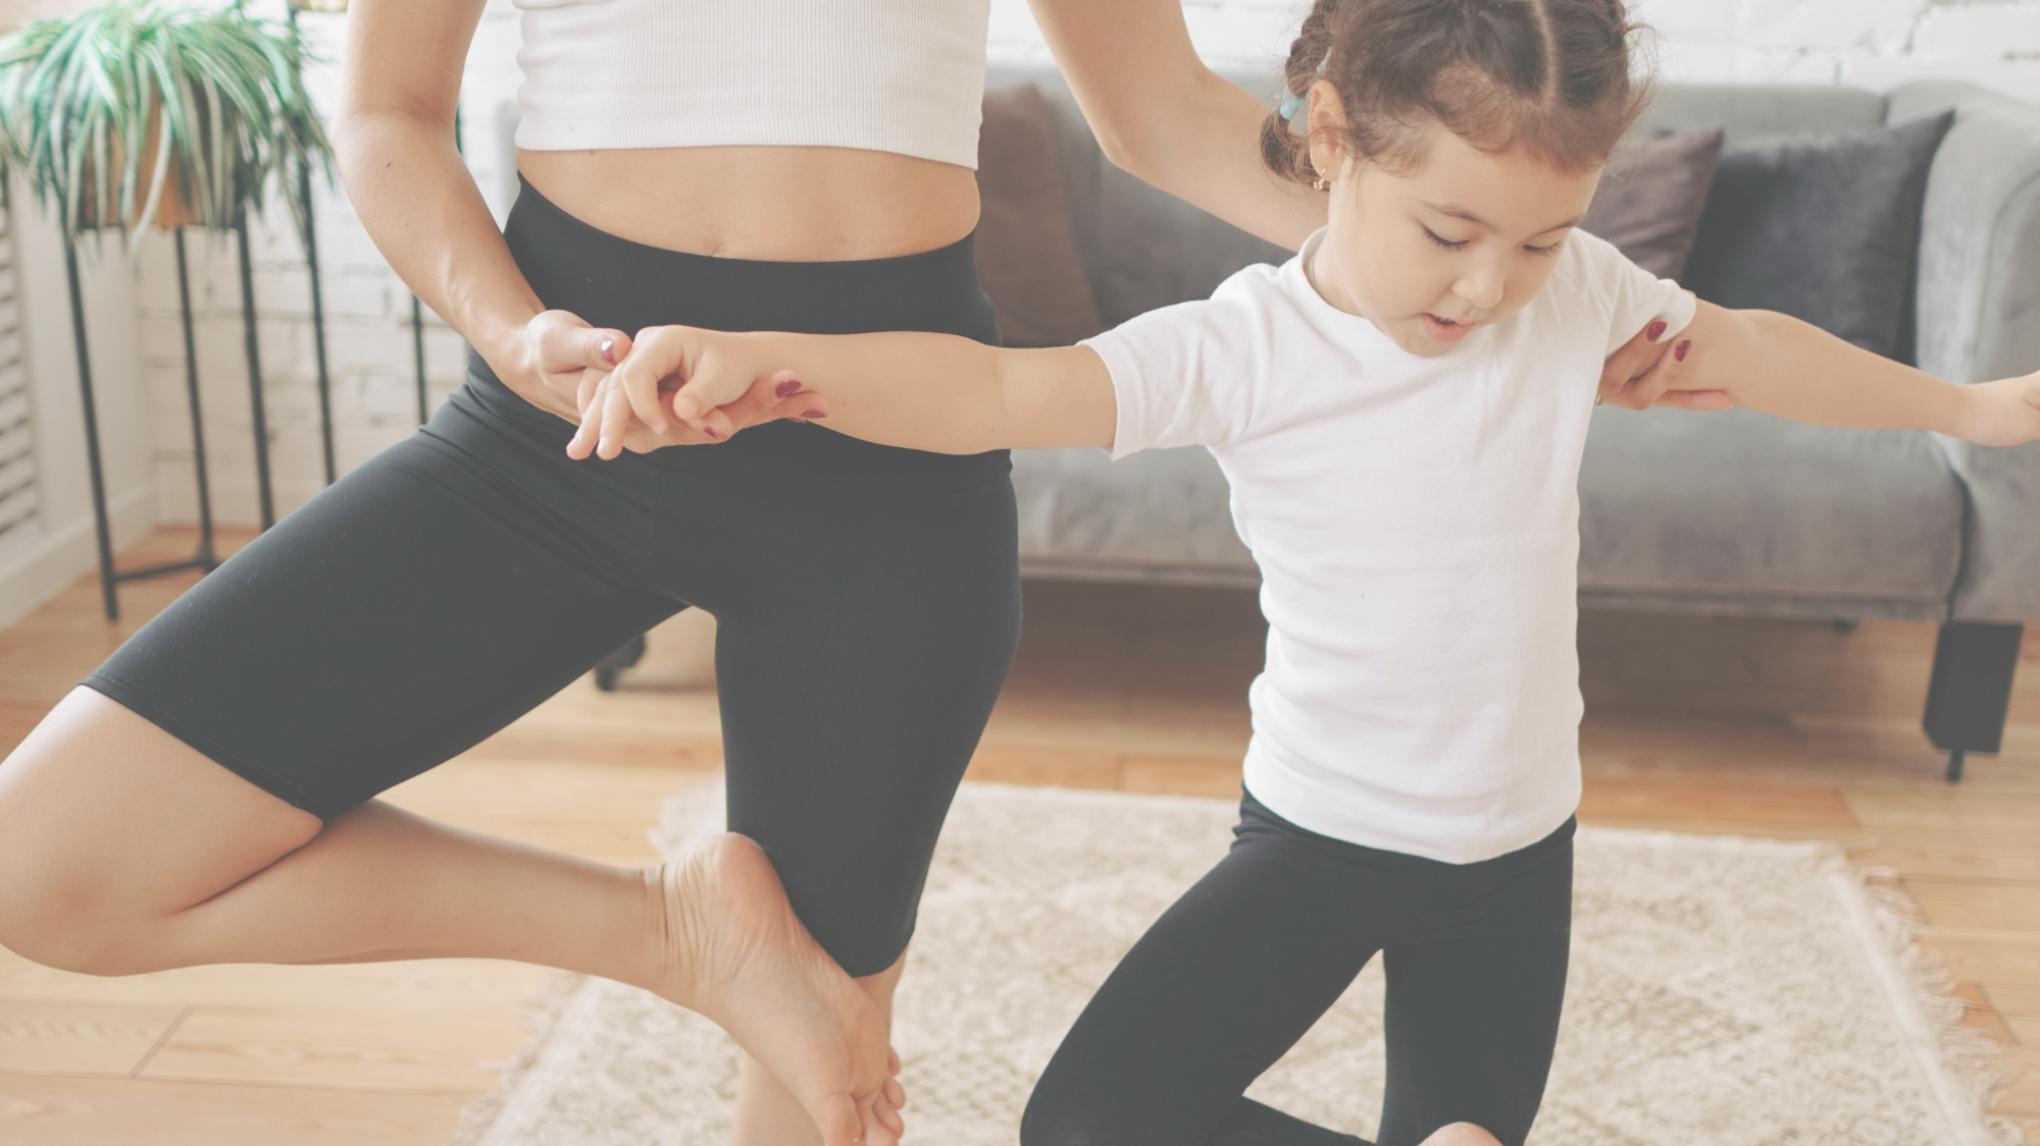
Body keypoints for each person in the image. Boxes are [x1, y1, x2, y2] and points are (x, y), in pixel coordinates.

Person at [0, 2, 1698, 1144]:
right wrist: (513, 330)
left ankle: (740, 957)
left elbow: (1169, 117)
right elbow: (382, 112)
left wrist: (1500, 269)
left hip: (890, 460)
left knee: (817, 1093)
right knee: (50, 862)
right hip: (569, 420)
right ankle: (674, 929)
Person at [569, 1, 2040, 1142]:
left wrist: (1973, 411)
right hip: (1316, 839)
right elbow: (1000, 394)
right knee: (1083, 1121)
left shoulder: (1576, 301)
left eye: (1539, 239)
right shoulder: (1247, 349)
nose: (1487, 285)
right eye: (1449, 231)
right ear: (1329, 135)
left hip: (1517, 858)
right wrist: (774, 364)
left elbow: (1764, 348)